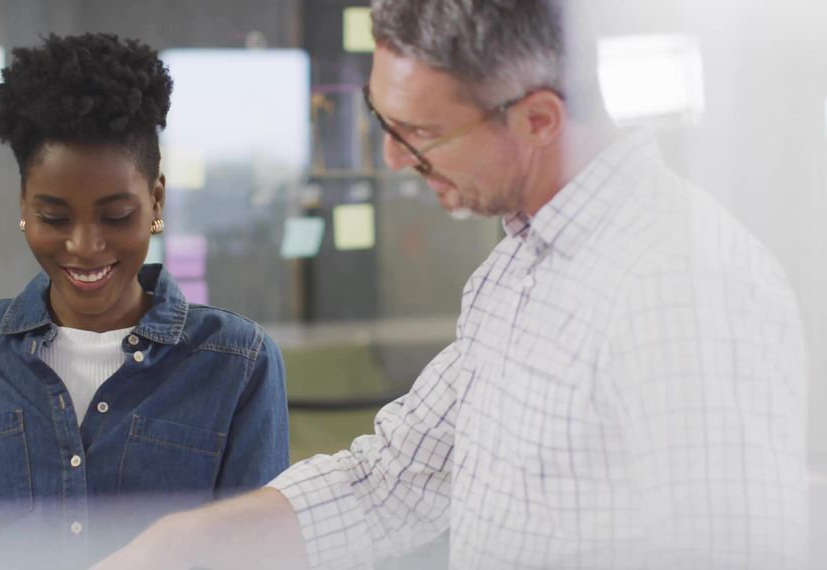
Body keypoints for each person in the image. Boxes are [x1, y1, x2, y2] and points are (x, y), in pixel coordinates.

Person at [93, 1, 808, 569]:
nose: (394, 159)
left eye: (419, 133)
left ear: (537, 119)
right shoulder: (521, 268)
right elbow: (396, 480)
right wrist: (179, 548)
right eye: (383, 120)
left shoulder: (677, 285)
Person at [0, 33, 289, 570]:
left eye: (115, 216)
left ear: (156, 199)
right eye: (55, 217)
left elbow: (258, 558)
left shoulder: (237, 363)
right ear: (23, 206)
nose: (84, 246)